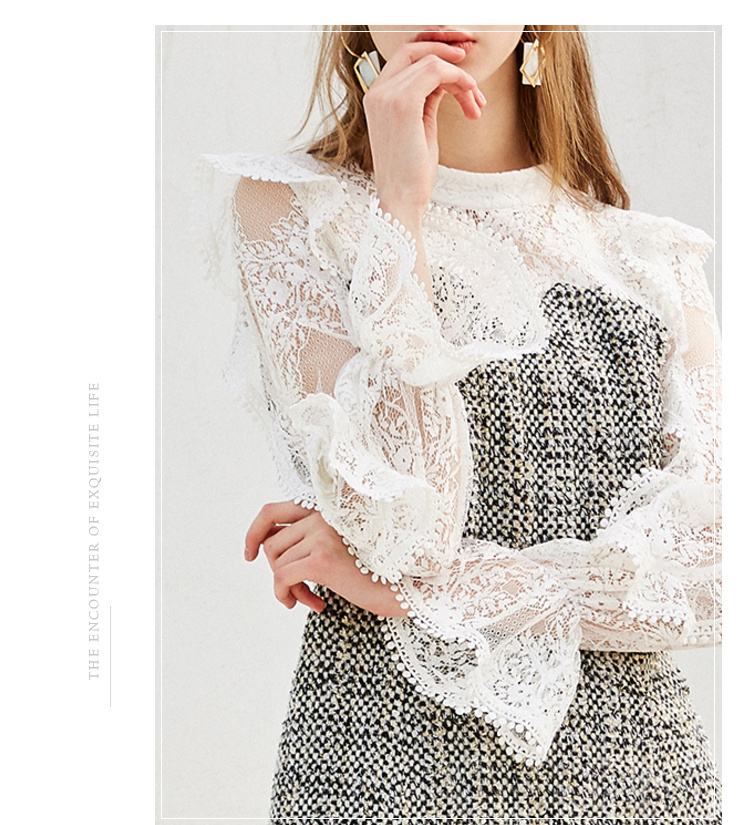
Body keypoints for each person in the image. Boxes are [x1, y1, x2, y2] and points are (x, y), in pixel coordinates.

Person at [199, 25, 721, 822]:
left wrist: (416, 592)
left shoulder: (651, 258)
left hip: (638, 773)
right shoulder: (293, 209)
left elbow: (715, 577)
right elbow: (411, 532)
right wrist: (399, 211)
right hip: (379, 760)